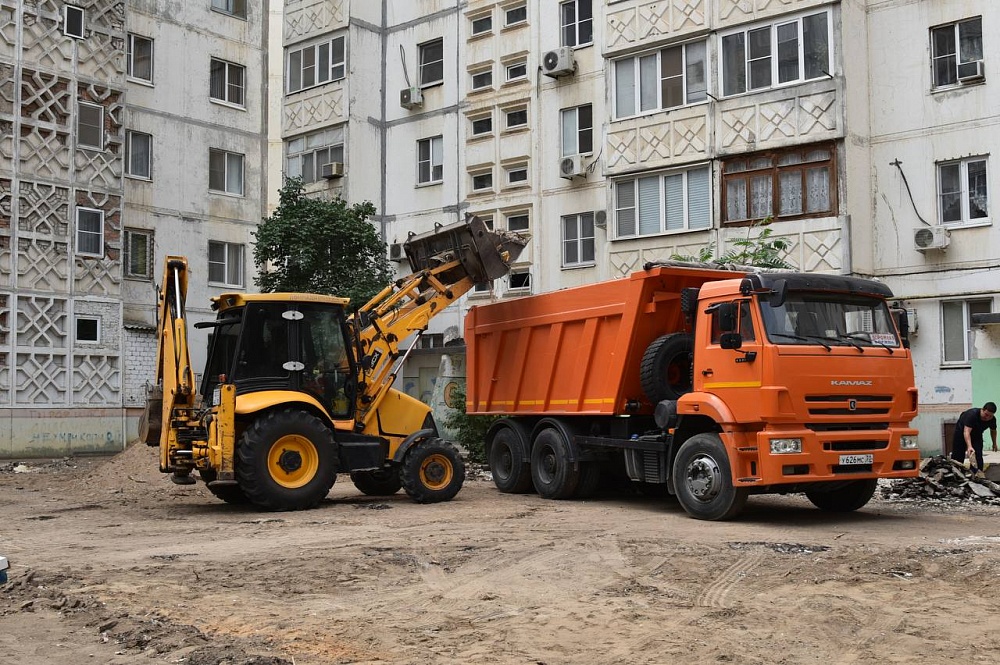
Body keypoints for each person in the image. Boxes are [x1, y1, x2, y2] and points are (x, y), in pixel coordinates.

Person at [951, 402, 998, 475]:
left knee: (977, 455)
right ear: (982, 410)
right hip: (962, 432)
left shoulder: (992, 419)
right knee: (958, 455)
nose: (987, 418)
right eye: (986, 414)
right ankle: (956, 474)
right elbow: (966, 432)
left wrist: (994, 443)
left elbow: (993, 431)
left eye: (990, 416)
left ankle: (976, 475)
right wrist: (969, 446)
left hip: (977, 434)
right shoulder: (972, 415)